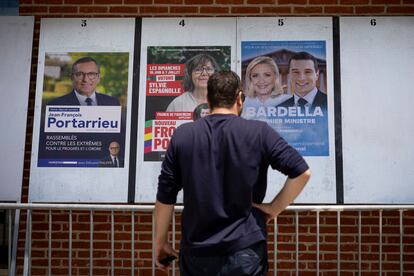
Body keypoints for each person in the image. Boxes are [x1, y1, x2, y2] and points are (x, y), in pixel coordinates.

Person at [154, 70, 311, 275]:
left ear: (208, 99)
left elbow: (165, 196)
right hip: (246, 249)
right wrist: (274, 208)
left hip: (197, 251)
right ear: (239, 98)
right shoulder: (259, 132)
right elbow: (302, 172)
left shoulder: (183, 135)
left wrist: (160, 242)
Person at [48, 57, 120, 106]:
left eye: (91, 74)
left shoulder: (112, 103)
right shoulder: (56, 104)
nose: (85, 79)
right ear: (72, 77)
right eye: (80, 74)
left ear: (98, 78)